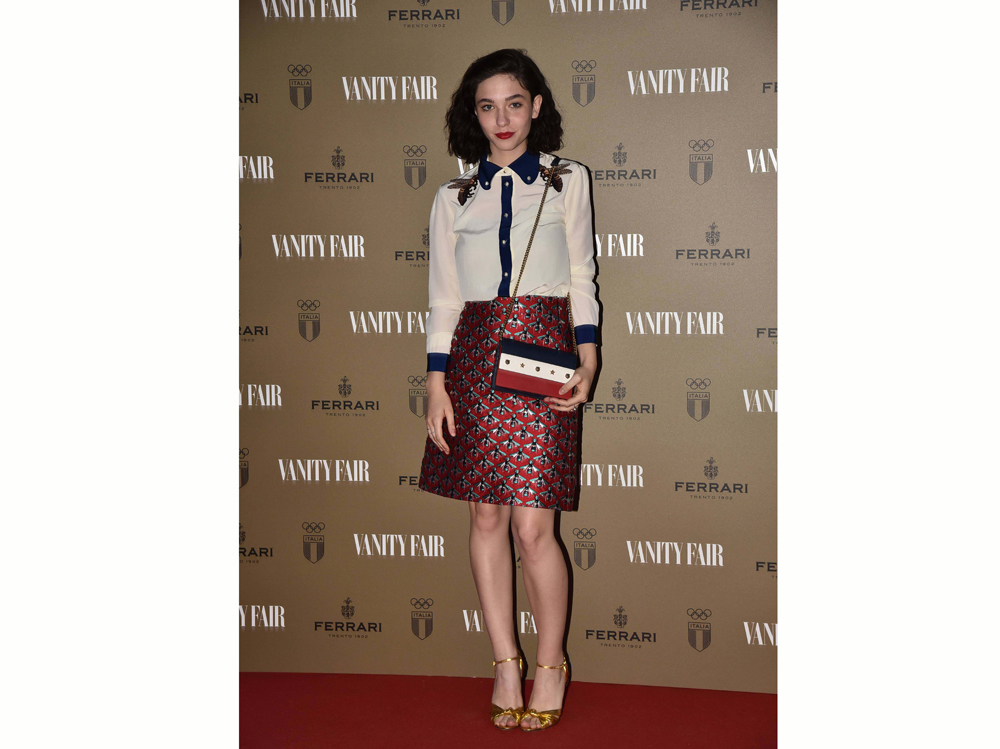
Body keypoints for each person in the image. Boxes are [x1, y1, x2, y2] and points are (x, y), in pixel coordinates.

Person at [417, 49, 600, 732]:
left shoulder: (566, 179)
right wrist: (437, 383)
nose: (502, 118)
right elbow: (443, 298)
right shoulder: (453, 196)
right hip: (473, 357)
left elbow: (582, 275)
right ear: (474, 114)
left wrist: (588, 358)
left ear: (536, 106)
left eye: (514, 103)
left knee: (533, 526)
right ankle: (504, 661)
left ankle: (550, 663)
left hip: (542, 351)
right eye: (488, 106)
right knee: (487, 519)